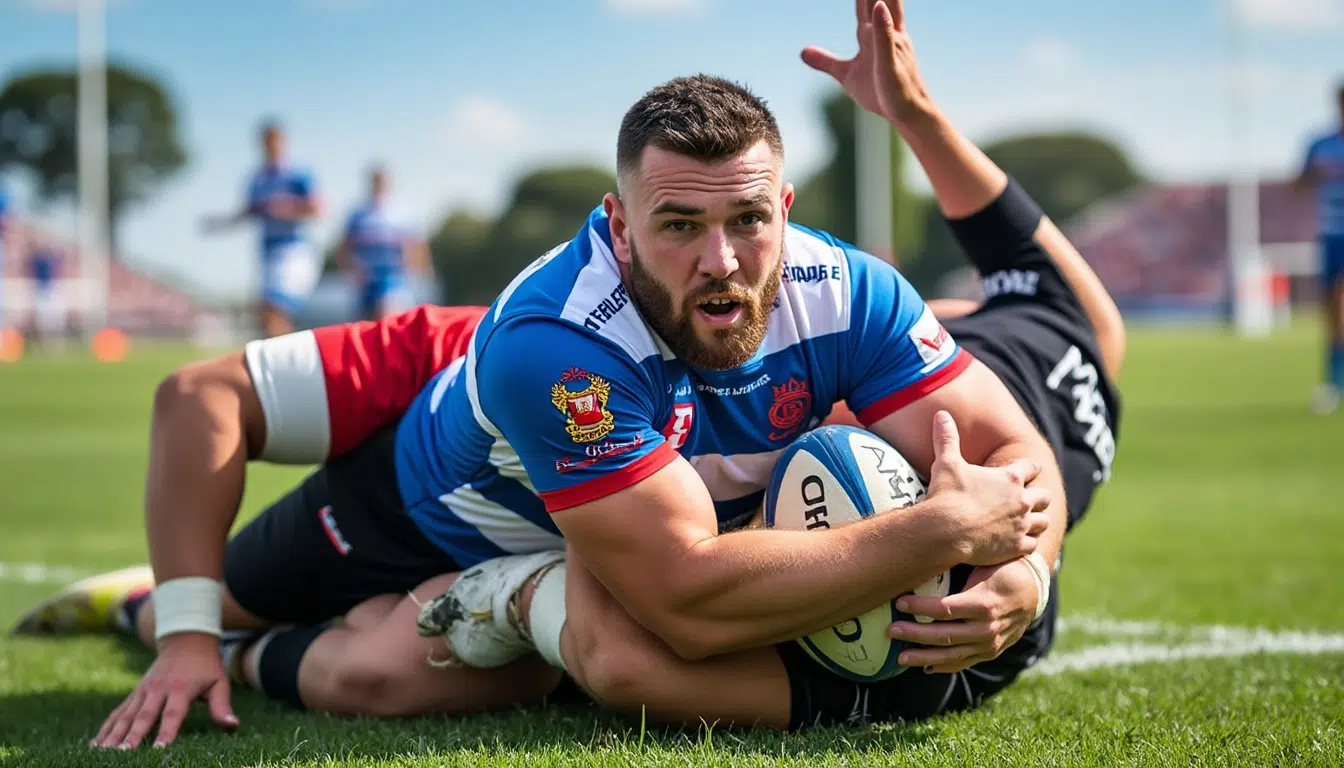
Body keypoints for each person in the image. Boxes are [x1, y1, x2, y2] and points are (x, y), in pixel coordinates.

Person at [15, 0, 1097, 747]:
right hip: (415, 511)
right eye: (678, 226)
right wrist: (937, 534)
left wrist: (1029, 571)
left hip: (595, 536)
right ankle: (151, 612)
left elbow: (1013, 451)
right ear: (618, 228)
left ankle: (488, 606)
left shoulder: (847, 289)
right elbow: (685, 603)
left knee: (415, 676)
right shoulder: (563, 348)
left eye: (746, 222)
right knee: (279, 647)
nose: (720, 262)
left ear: (787, 215)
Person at [202, 119, 324, 338]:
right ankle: (286, 365)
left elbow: (318, 209)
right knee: (267, 315)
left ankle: (287, 365)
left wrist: (286, 209)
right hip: (268, 252)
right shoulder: (257, 180)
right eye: (266, 142)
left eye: (275, 141)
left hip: (293, 251)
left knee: (273, 309)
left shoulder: (298, 175)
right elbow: (248, 212)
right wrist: (219, 224)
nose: (271, 146)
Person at [1296, 81, 1344, 415]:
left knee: (1341, 304)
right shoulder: (1321, 144)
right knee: (1331, 312)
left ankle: (1334, 383)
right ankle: (1333, 380)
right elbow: (1299, 183)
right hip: (1330, 235)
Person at [337, 165, 430, 320]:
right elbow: (344, 247)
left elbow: (418, 245)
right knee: (365, 326)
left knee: (388, 317)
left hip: (394, 277)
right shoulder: (358, 214)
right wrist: (351, 269)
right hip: (367, 279)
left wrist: (418, 270)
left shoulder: (402, 212)